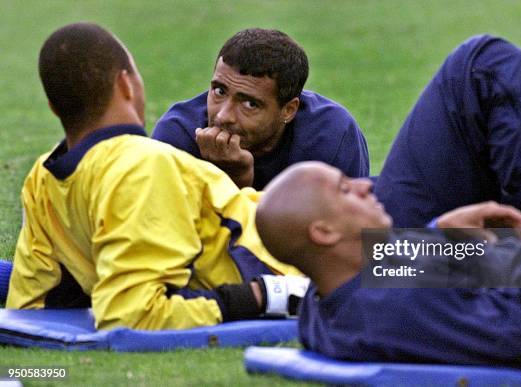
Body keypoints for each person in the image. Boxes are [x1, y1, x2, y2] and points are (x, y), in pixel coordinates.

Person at [6, 23, 308, 330]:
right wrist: (263, 296)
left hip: (316, 243)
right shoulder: (143, 165)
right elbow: (134, 315)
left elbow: (30, 308)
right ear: (126, 85)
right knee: (360, 237)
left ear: (54, 108)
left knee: (361, 235)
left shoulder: (44, 174)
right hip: (302, 263)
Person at [255, 160, 521, 372]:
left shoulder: (329, 298)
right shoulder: (394, 307)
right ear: (324, 232)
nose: (366, 185)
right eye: (346, 189)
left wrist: (440, 233)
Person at [374, 34, 521, 228]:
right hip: (396, 256)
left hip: (417, 246)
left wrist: (437, 231)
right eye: (344, 187)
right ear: (333, 235)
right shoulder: (391, 266)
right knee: (489, 63)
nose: (361, 185)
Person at [151, 28, 369, 190]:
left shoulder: (331, 135)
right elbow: (170, 241)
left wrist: (240, 182)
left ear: (289, 110)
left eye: (250, 104)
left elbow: (347, 239)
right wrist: (228, 180)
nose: (223, 116)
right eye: (219, 91)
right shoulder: (177, 137)